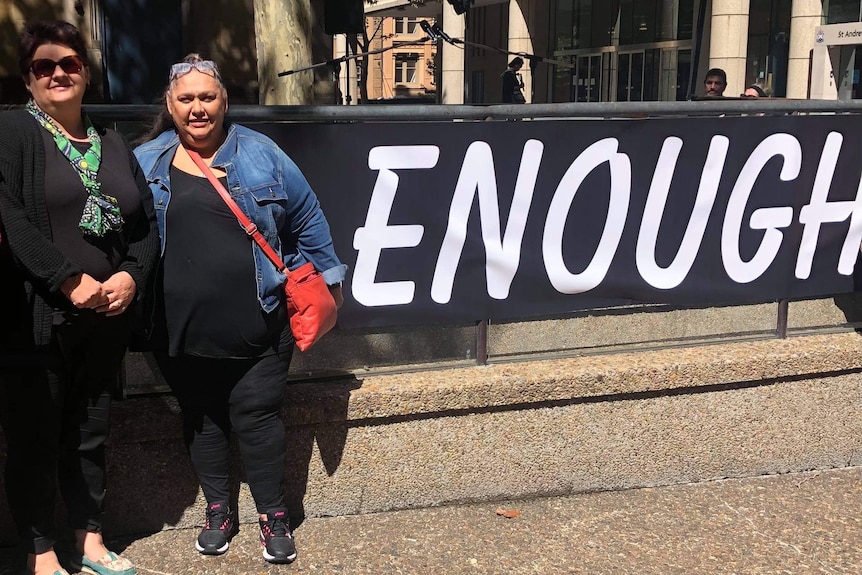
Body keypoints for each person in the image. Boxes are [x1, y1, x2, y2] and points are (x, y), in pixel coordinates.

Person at [133, 54, 346, 565]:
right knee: (202, 421)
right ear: (170, 104)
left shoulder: (262, 154)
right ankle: (218, 511)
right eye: (186, 99)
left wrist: (331, 281)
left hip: (260, 323)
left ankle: (274, 515)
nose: (198, 108)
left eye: (207, 97)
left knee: (258, 418)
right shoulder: (148, 161)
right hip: (178, 330)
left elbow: (307, 214)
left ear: (224, 101)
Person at [0, 20, 158, 575]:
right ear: (29, 80)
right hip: (36, 321)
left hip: (104, 320)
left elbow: (144, 225)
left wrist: (131, 277)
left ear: (86, 73)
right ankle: (40, 552)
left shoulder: (110, 141)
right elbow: (9, 217)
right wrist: (66, 278)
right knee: (35, 437)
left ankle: (90, 541)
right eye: (44, 66)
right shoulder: (13, 133)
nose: (58, 73)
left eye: (69, 63)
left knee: (90, 433)